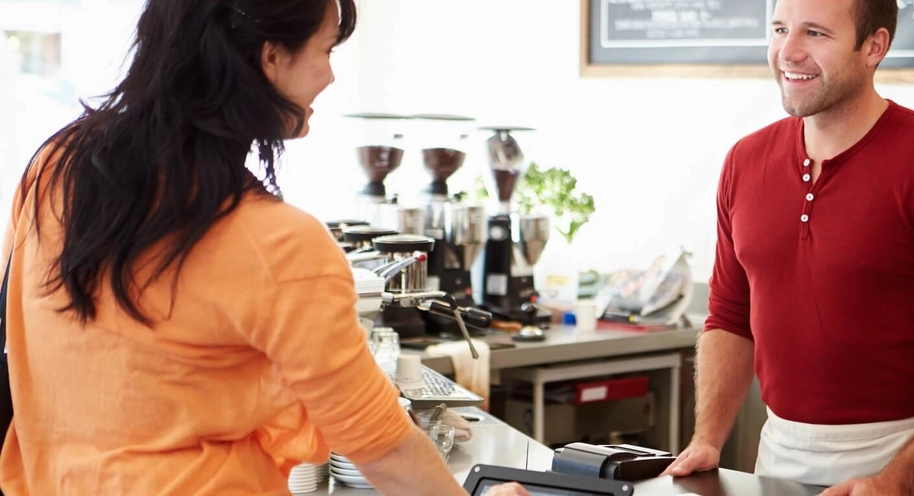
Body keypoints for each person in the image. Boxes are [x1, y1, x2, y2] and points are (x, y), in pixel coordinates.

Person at [0, 1, 528, 495]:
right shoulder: (279, 244)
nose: (330, 76)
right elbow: (383, 448)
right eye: (326, 51)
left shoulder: (56, 167)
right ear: (271, 56)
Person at [660, 0, 914, 494]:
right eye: (779, 29)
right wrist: (708, 440)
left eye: (814, 33)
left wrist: (894, 482)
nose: (787, 52)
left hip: (907, 468)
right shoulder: (745, 162)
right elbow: (729, 316)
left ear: (874, 46)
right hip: (778, 461)